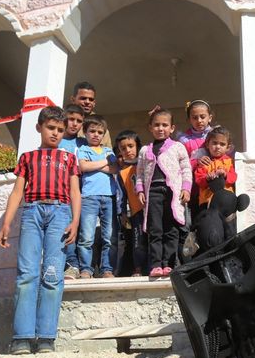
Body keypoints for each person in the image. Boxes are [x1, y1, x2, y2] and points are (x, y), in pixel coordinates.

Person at [0, 106, 80, 355]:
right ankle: (21, 337)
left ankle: (46, 337)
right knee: (27, 275)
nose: (55, 133)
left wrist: (75, 221)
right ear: (39, 127)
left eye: (60, 130)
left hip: (60, 213)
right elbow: (17, 192)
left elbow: (75, 191)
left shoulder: (69, 158)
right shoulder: (27, 158)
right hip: (32, 212)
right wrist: (7, 223)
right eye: (51, 128)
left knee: (53, 275)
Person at [135, 106, 192, 278]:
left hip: (172, 193)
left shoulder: (177, 147)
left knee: (171, 229)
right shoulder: (145, 150)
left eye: (165, 125)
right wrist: (140, 190)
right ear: (150, 127)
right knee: (155, 229)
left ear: (172, 128)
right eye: (157, 125)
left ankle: (168, 263)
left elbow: (186, 169)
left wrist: (186, 188)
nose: (161, 128)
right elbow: (139, 173)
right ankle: (155, 265)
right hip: (153, 192)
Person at [192, 126, 250, 252]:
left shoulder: (229, 162)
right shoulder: (204, 163)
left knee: (230, 232)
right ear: (208, 144)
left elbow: (233, 177)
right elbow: (198, 180)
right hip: (208, 205)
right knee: (212, 232)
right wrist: (207, 178)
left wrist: (225, 174)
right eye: (214, 143)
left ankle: (230, 252)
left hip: (228, 207)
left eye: (222, 144)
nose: (217, 147)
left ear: (228, 147)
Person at [77, 115, 118, 279]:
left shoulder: (109, 150)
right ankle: (86, 269)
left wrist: (94, 164)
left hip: (109, 197)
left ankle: (107, 269)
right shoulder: (83, 149)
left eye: (100, 132)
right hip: (89, 197)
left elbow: (114, 168)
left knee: (109, 236)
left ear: (104, 134)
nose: (96, 135)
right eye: (92, 131)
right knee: (86, 236)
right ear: (85, 132)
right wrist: (103, 163)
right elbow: (83, 166)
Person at [58, 104, 86, 279]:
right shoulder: (57, 140)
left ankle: (84, 267)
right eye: (71, 119)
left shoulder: (84, 142)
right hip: (63, 192)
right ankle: (70, 264)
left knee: (86, 232)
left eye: (79, 121)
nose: (75, 124)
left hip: (86, 192)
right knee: (67, 228)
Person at [115, 130, 147, 277]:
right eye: (123, 148)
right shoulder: (122, 172)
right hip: (136, 211)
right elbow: (122, 195)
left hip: (152, 208)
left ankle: (155, 265)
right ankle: (138, 268)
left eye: (130, 146)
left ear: (138, 146)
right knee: (137, 241)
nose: (127, 150)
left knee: (154, 238)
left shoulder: (147, 163)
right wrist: (122, 212)